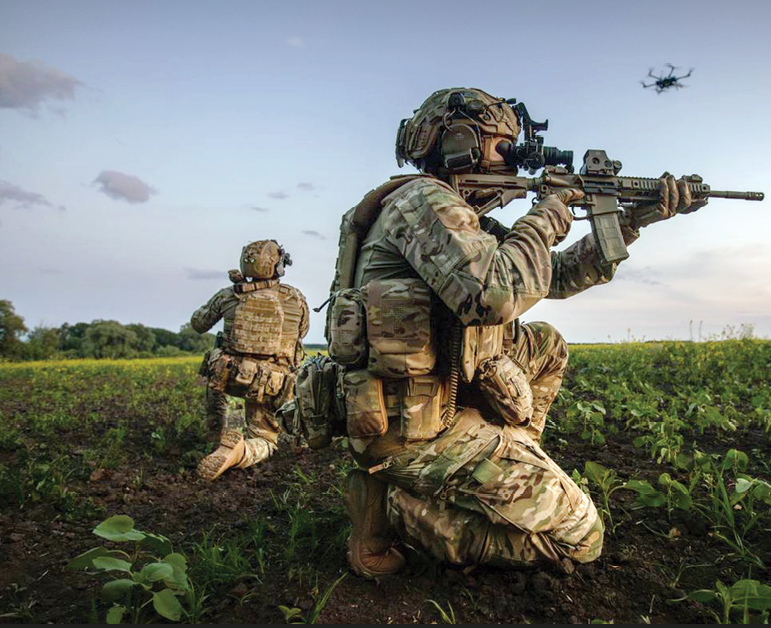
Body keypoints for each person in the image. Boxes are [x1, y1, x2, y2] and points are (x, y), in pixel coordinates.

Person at [322, 87, 705, 578]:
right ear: (459, 142)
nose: (514, 158)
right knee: (583, 538)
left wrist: (632, 220)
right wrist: (546, 214)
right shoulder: (425, 201)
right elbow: (496, 295)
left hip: (426, 404)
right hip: (415, 432)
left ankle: (508, 461)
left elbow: (557, 276)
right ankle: (404, 512)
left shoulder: (457, 216)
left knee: (543, 342)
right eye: (503, 146)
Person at [191, 239, 309, 481]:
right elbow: (302, 332)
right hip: (270, 384)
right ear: (278, 266)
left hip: (230, 376)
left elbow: (198, 323)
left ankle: (216, 436)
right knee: (265, 438)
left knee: (216, 376)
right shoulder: (295, 298)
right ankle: (242, 450)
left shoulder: (229, 294)